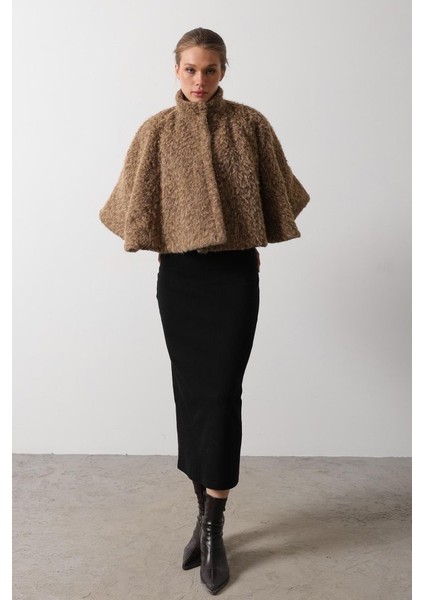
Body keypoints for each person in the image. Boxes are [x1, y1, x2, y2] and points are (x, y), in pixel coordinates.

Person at [99, 27, 310, 595]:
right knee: (191, 395)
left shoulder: (250, 124)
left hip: (234, 279)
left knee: (221, 395)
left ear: (223, 71)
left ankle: (214, 527)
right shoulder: (156, 131)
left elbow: (280, 192)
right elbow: (132, 203)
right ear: (176, 69)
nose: (200, 80)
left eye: (210, 70)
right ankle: (202, 514)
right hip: (180, 281)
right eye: (190, 69)